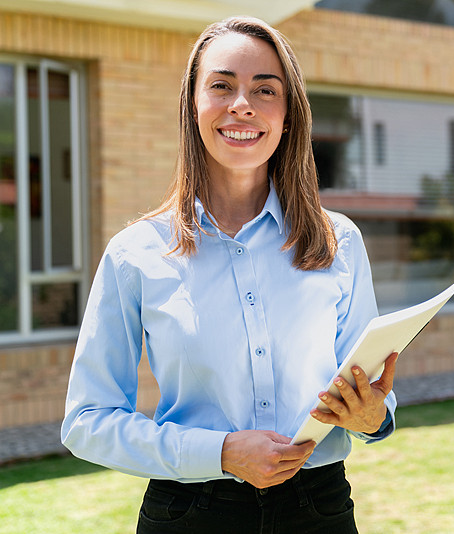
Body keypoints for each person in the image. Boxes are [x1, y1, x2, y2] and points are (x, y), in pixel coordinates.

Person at [61, 16, 397, 534]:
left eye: (266, 89)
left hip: (319, 510)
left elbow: (373, 395)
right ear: (192, 105)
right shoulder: (137, 253)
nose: (243, 104)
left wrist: (371, 415)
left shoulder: (339, 242)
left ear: (288, 115)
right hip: (190, 513)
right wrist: (217, 451)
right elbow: (87, 421)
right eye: (221, 85)